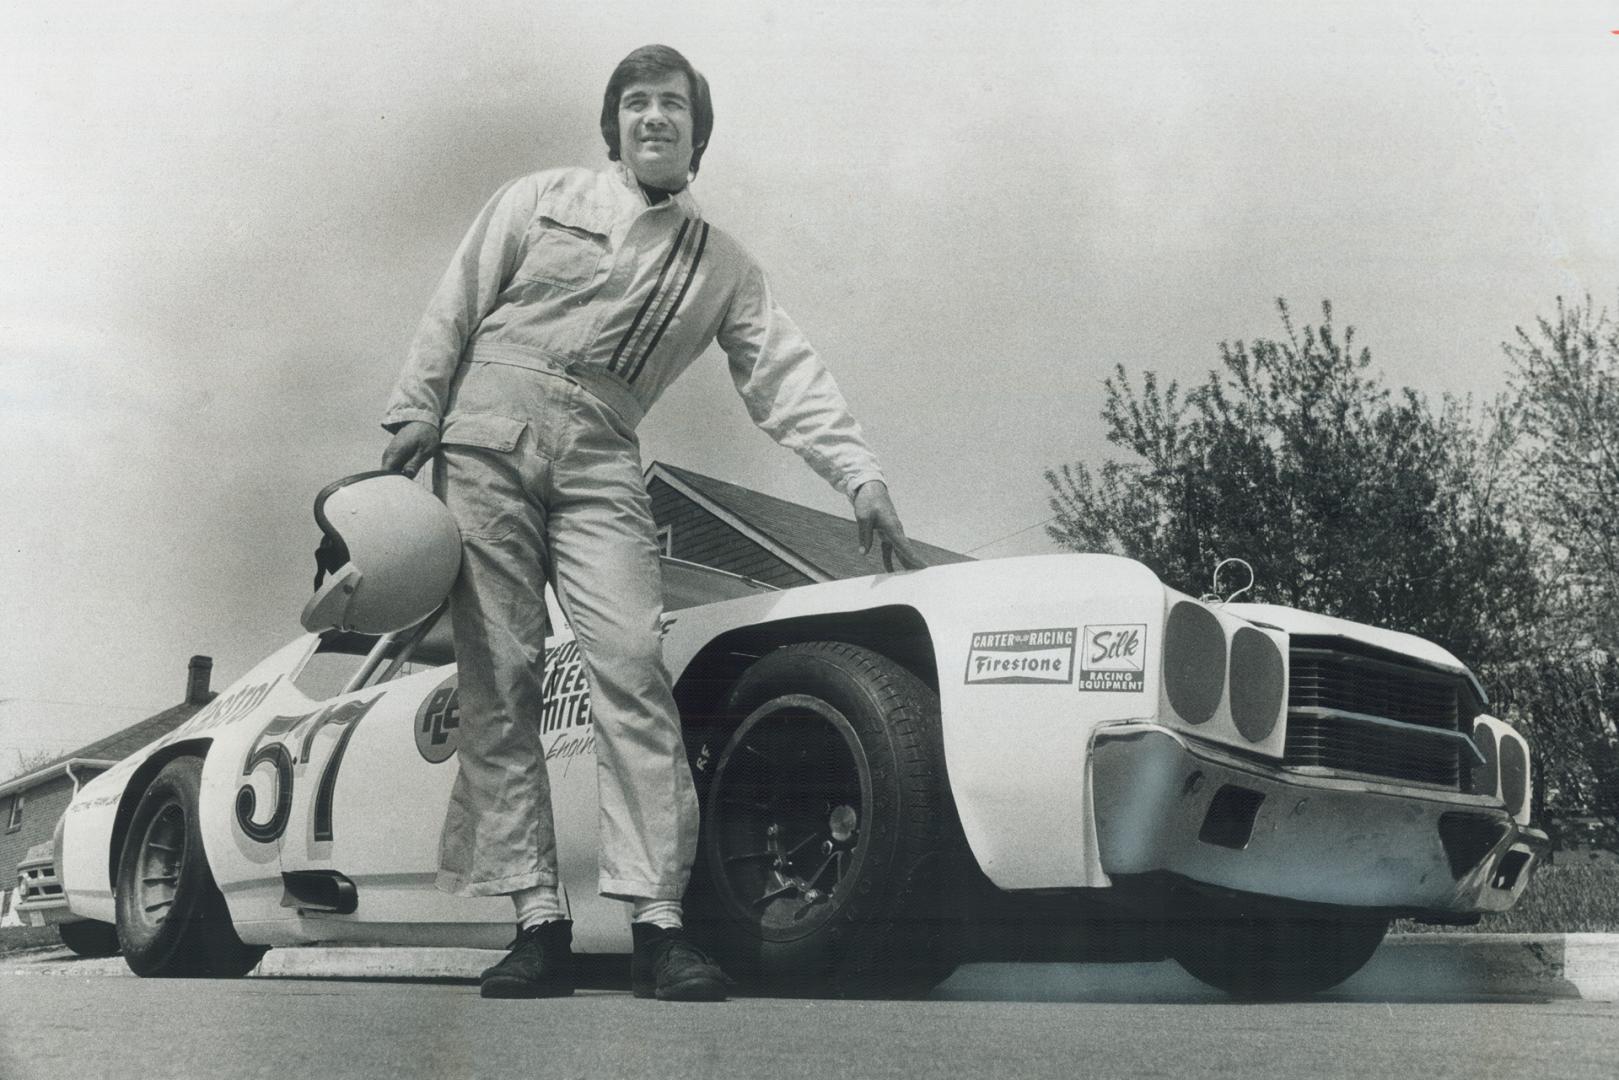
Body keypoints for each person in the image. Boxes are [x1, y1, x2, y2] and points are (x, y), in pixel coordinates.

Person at [379, 44, 923, 1002]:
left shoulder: (720, 264)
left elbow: (784, 374)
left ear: (697, 133)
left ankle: (656, 927)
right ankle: (536, 921)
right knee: (497, 675)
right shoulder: (540, 197)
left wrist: (858, 476)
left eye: (672, 105)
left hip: (601, 450)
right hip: (486, 431)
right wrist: (414, 411)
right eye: (635, 104)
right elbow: (455, 303)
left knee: (631, 663)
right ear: (614, 125)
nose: (653, 119)